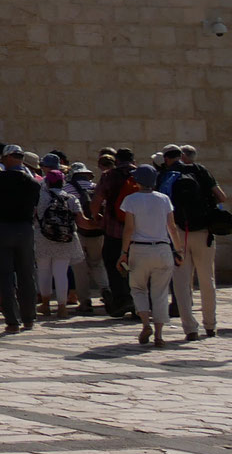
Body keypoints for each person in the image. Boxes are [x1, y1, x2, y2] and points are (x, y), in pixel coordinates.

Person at [0, 145, 41, 333]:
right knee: (27, 275)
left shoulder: (1, 178)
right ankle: (29, 318)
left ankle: (12, 320)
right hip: (26, 229)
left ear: (9, 158)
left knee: (5, 276)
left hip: (3, 228)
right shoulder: (33, 182)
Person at [169, 144, 225, 340]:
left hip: (178, 233)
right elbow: (222, 197)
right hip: (203, 232)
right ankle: (210, 325)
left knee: (182, 282)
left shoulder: (169, 173)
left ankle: (190, 328)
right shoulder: (201, 171)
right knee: (207, 280)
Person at [121, 164, 178, 348]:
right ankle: (160, 334)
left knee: (138, 288)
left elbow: (129, 229)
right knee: (160, 293)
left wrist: (123, 252)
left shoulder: (131, 200)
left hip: (140, 249)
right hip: (162, 248)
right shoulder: (164, 199)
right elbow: (172, 227)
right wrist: (179, 250)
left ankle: (146, 324)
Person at [33, 156, 86, 318]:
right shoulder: (71, 198)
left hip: (43, 238)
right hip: (65, 239)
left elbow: (34, 216)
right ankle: (62, 307)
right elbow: (80, 219)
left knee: (44, 271)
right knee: (61, 272)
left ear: (47, 182)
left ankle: (46, 304)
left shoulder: (40, 197)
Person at [94, 148, 137, 317]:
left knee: (113, 265)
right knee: (137, 268)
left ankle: (122, 299)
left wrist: (96, 217)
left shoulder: (109, 175)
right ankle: (138, 302)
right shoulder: (142, 174)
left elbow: (97, 200)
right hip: (137, 233)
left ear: (117, 160)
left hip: (114, 230)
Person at [68, 160, 106, 310]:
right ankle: (105, 290)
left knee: (80, 267)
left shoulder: (68, 188)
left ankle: (84, 301)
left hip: (78, 232)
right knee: (97, 263)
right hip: (97, 231)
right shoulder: (96, 187)